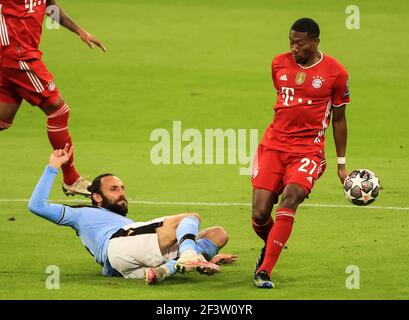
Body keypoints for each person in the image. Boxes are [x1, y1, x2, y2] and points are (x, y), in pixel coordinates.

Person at [28, 144, 237, 285]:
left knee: (218, 234)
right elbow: (37, 205)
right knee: (188, 218)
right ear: (97, 197)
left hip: (128, 266)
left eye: (122, 188)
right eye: (114, 189)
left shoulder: (128, 224)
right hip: (117, 246)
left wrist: (213, 255)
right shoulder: (82, 214)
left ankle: (169, 269)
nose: (122, 192)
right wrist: (53, 167)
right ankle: (190, 256)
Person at [251, 18, 350, 288]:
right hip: (272, 146)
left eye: (300, 43)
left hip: (308, 150)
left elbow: (339, 119)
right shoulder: (278, 63)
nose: (294, 48)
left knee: (290, 198)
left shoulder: (335, 73)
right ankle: (272, 245)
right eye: (291, 42)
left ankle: (264, 271)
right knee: (260, 213)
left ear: (315, 41)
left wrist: (341, 164)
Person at [0, 0, 107, 196]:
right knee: (58, 110)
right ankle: (71, 179)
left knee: (2, 118)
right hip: (19, 57)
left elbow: (49, 6)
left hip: (19, 56)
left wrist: (80, 31)